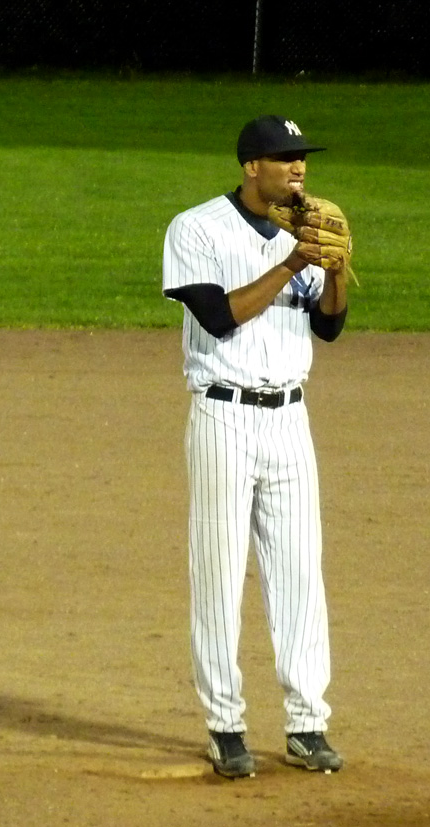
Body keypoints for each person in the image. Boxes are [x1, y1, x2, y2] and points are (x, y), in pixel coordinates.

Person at [162, 115, 349, 778]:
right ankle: (226, 724)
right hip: (225, 418)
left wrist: (334, 268)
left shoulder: (308, 228)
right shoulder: (198, 229)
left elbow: (328, 327)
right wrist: (295, 259)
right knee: (218, 573)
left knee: (301, 571)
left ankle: (307, 721)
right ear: (250, 166)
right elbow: (217, 315)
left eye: (301, 158)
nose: (298, 169)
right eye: (283, 158)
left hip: (290, 421)